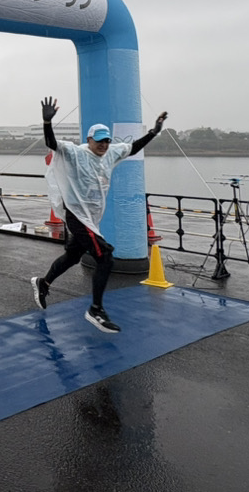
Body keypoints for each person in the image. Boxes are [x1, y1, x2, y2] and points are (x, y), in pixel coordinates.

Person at [30, 98, 168, 333]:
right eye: (100, 140)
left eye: (107, 140)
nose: (104, 144)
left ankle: (43, 283)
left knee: (72, 257)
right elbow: (51, 143)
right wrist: (47, 122)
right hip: (76, 214)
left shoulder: (111, 153)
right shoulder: (76, 153)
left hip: (92, 218)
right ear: (89, 140)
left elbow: (133, 147)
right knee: (105, 256)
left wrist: (154, 132)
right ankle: (96, 309)